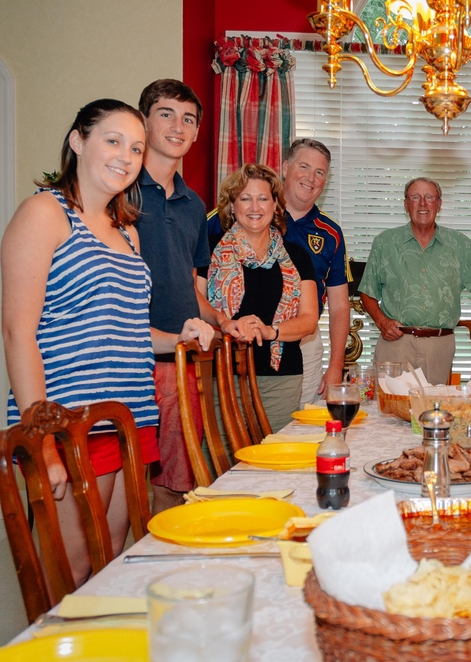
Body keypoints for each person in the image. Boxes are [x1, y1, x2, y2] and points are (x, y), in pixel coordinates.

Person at [1, 99, 214, 585]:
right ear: (78, 141)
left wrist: (177, 334)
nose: (126, 156)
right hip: (68, 423)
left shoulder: (127, 230)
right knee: (68, 573)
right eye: (113, 141)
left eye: (136, 148)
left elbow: (128, 332)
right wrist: (44, 443)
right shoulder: (45, 213)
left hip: (127, 419)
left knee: (108, 561)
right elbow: (18, 331)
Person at [135, 80, 256, 513]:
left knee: (176, 482)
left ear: (198, 132)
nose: (177, 126)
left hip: (182, 363)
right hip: (132, 362)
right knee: (126, 487)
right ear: (143, 121)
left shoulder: (193, 205)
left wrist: (224, 322)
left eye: (188, 119)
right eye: (165, 114)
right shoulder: (120, 192)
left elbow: (189, 286)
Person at [207, 138, 350, 407]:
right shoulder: (222, 220)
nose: (311, 178)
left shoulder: (330, 233)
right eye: (304, 167)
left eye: (320, 172)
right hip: (229, 349)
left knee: (296, 432)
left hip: (302, 344)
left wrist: (335, 366)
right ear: (285, 167)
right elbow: (196, 285)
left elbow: (340, 306)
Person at [203, 164, 319, 424]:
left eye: (263, 198)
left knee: (275, 461)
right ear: (232, 206)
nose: (255, 207)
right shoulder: (209, 251)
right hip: (220, 377)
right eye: (245, 198)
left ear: (276, 204)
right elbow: (194, 300)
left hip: (281, 380)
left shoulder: (297, 257)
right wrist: (224, 321)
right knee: (223, 463)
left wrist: (270, 331)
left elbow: (309, 319)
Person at [358, 177, 471, 386]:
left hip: (440, 346)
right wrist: (382, 321)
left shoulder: (458, 244)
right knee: (388, 411)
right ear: (405, 204)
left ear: (439, 204)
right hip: (396, 343)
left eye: (429, 197)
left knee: (432, 412)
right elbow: (367, 291)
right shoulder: (385, 242)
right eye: (415, 197)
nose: (422, 203)